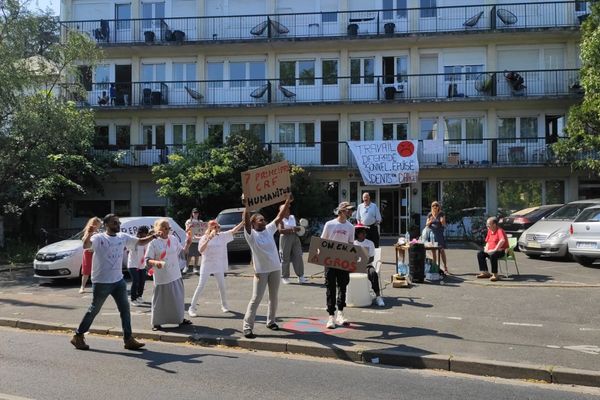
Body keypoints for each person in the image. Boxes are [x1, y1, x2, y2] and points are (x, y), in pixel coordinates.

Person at [70, 214, 153, 350]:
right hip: (102, 281)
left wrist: (153, 236)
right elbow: (86, 245)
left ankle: (128, 339)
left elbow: (140, 242)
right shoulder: (99, 237)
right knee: (94, 310)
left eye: (118, 223)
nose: (118, 225)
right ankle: (78, 336)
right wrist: (89, 234)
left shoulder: (122, 237)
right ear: (106, 225)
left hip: (118, 280)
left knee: (125, 309)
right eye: (115, 223)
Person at [242, 194, 292, 339]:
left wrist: (287, 201)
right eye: (260, 220)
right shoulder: (250, 236)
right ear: (253, 223)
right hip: (261, 271)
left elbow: (280, 216)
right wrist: (247, 206)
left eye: (264, 219)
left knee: (274, 297)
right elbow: (245, 221)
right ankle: (247, 327)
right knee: (256, 298)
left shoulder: (269, 229)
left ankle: (271, 322)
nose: (264, 221)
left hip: (275, 268)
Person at [188, 218, 244, 317]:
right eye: (214, 226)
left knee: (222, 286)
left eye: (218, 227)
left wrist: (243, 222)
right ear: (209, 228)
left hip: (218, 264)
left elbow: (233, 230)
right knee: (201, 286)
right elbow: (201, 250)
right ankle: (192, 308)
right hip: (207, 264)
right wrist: (209, 238)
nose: (217, 228)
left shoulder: (222, 236)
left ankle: (224, 305)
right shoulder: (204, 237)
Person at [145, 218, 193, 330]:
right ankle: (156, 322)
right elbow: (147, 260)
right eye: (164, 228)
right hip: (162, 277)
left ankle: (179, 318)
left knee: (178, 299)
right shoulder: (153, 242)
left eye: (168, 228)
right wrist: (156, 262)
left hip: (175, 274)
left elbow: (182, 253)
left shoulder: (173, 239)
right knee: (160, 300)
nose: (167, 230)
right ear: (158, 229)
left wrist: (188, 244)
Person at [321, 201, 355, 329]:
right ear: (341, 211)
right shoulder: (329, 224)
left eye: (351, 210)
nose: (350, 212)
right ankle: (331, 316)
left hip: (343, 261)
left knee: (343, 286)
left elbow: (351, 245)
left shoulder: (350, 227)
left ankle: (340, 313)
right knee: (330, 287)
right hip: (330, 261)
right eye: (348, 210)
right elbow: (322, 242)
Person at [353, 223, 385, 307]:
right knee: (341, 272)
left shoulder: (370, 243)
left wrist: (363, 264)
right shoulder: (353, 243)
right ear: (358, 234)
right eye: (362, 233)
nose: (364, 234)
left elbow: (372, 258)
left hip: (366, 265)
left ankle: (378, 296)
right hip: (354, 266)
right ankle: (344, 295)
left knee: (373, 273)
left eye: (365, 233)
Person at [277, 203, 308, 285]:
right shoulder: (280, 219)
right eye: (285, 209)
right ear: (281, 211)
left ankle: (301, 276)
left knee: (298, 256)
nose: (287, 210)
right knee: (285, 257)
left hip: (295, 237)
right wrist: (292, 229)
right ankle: (285, 277)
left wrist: (297, 228)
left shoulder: (292, 217)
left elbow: (299, 227)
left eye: (287, 209)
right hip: (285, 238)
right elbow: (280, 230)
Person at [476, 217, 509, 282]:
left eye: (488, 224)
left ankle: (495, 275)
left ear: (494, 224)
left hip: (501, 251)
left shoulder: (499, 230)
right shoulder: (489, 231)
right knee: (480, 253)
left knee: (493, 255)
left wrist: (495, 249)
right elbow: (488, 242)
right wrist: (486, 249)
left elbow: (502, 240)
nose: (487, 225)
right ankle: (485, 272)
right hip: (490, 251)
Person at [127, 225, 150, 306]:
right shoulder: (134, 240)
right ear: (140, 233)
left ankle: (139, 296)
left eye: (146, 234)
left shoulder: (146, 241)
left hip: (142, 265)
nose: (145, 235)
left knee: (142, 282)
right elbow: (127, 249)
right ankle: (133, 298)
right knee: (136, 281)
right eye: (144, 234)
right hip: (133, 264)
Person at [79, 217, 101, 294]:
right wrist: (89, 233)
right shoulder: (89, 231)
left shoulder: (99, 232)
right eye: (98, 224)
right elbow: (84, 240)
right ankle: (82, 287)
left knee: (97, 270)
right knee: (86, 271)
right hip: (88, 252)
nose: (99, 226)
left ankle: (96, 286)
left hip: (96, 252)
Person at [426, 201, 449, 274]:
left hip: (439, 235)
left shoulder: (441, 214)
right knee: (433, 252)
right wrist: (430, 222)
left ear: (438, 207)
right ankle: (435, 266)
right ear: (432, 207)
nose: (435, 207)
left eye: (436, 205)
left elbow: (444, 225)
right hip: (432, 235)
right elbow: (426, 224)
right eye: (433, 205)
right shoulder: (430, 214)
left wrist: (442, 222)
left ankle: (445, 267)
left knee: (441, 251)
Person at [185, 208, 205, 275]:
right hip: (191, 240)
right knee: (189, 255)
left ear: (198, 214)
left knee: (197, 255)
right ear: (192, 213)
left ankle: (195, 268)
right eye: (194, 212)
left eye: (197, 212)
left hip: (198, 240)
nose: (195, 214)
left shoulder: (201, 222)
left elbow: (203, 230)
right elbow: (186, 230)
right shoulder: (188, 221)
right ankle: (186, 267)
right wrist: (189, 226)